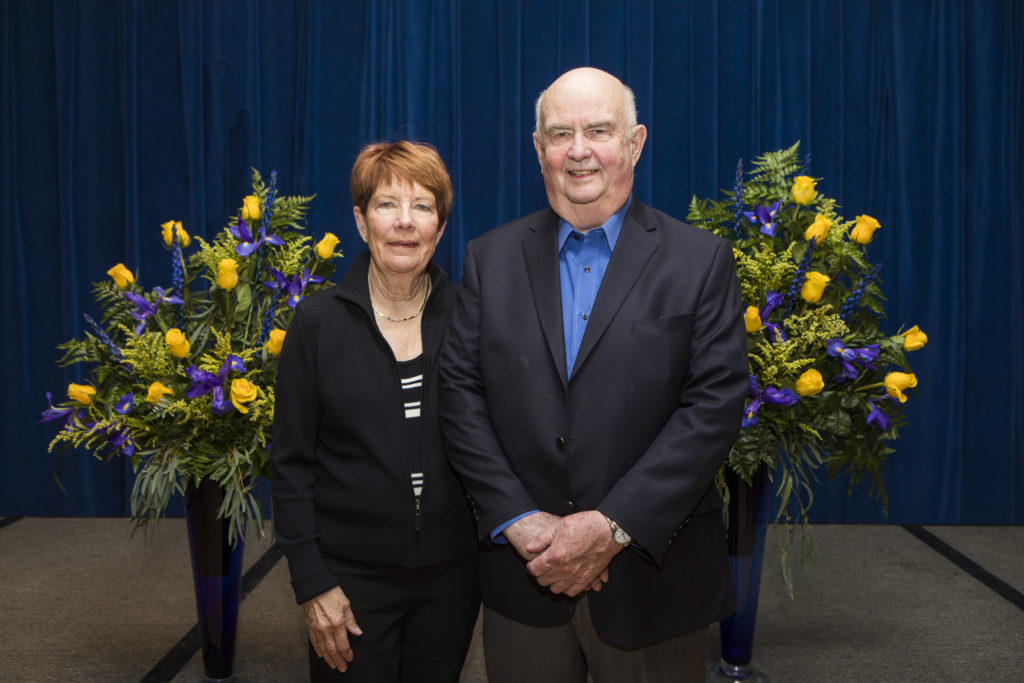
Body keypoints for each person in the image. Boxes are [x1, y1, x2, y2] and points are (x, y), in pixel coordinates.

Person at [438, 67, 748, 682]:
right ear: (538, 149)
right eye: (560, 133)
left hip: (652, 583)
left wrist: (611, 527)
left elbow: (713, 407)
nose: (578, 150)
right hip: (525, 576)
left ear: (634, 143)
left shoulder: (700, 260)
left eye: (598, 130)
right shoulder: (488, 258)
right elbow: (460, 396)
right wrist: (521, 522)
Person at [271, 140, 479, 682]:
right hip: (348, 577)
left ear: (440, 224)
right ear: (362, 223)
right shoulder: (317, 325)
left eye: (423, 207)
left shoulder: (470, 319)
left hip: (452, 577)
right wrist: (311, 582)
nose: (405, 223)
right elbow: (291, 464)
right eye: (388, 205)